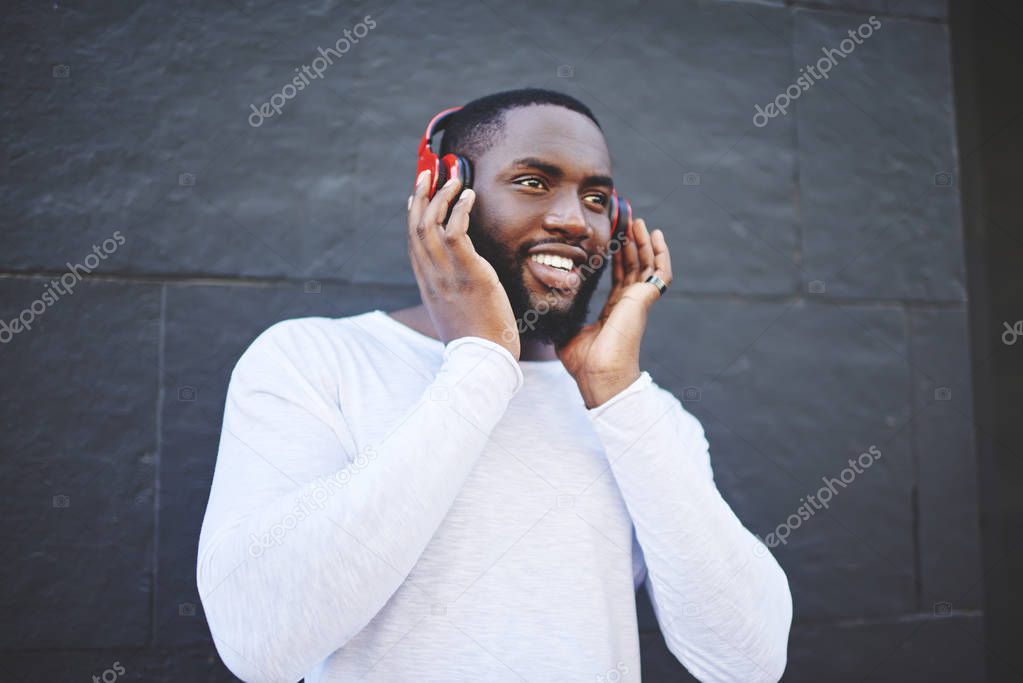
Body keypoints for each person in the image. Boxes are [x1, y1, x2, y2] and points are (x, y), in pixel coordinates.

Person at [197, 88, 792, 683]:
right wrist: (480, 362)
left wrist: (616, 391)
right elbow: (259, 645)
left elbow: (749, 663)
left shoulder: (642, 413)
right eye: (534, 181)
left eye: (596, 198)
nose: (573, 220)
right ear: (444, 190)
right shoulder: (313, 361)